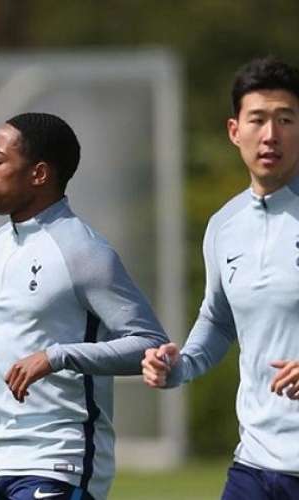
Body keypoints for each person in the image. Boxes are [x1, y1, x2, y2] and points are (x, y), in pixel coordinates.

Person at [0, 113, 168, 500]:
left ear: (38, 174)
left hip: (62, 462)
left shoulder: (83, 250)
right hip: (4, 463)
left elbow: (148, 344)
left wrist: (56, 357)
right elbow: (4, 361)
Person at [141, 57, 299, 499]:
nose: (271, 134)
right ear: (235, 131)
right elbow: (218, 322)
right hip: (255, 464)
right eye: (259, 119)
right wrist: (180, 366)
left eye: (285, 119)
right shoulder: (224, 225)